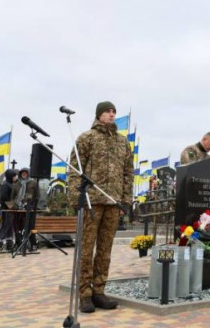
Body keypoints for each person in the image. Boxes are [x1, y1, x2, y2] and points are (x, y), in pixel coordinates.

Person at [68, 101, 133, 314]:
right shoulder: (87, 138)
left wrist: (126, 200)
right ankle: (84, 294)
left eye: (114, 111)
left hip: (112, 202)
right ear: (99, 115)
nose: (112, 114)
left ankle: (99, 291)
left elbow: (128, 173)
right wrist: (77, 197)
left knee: (105, 249)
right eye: (108, 111)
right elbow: (74, 170)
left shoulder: (123, 142)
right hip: (91, 201)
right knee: (87, 249)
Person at [11, 168, 39, 251]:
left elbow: (37, 195)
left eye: (25, 173)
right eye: (22, 173)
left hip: (29, 208)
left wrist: (33, 205)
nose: (24, 174)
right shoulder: (17, 183)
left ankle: (33, 244)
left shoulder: (33, 182)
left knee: (30, 226)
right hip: (18, 208)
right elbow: (12, 196)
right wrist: (13, 206)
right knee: (17, 227)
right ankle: (18, 243)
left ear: (28, 173)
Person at [0, 169, 18, 251]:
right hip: (6, 209)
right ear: (10, 176)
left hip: (10, 209)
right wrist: (11, 206)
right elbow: (4, 197)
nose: (16, 177)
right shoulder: (5, 185)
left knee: (10, 227)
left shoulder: (11, 184)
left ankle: (9, 244)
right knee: (5, 226)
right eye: (14, 176)